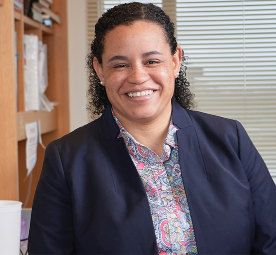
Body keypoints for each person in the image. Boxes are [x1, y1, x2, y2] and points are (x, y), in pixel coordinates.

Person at [28, 2, 276, 254]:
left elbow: (271, 240)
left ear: (176, 61)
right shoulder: (67, 158)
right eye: (120, 65)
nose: (137, 76)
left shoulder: (230, 138)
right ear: (100, 70)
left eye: (152, 61)